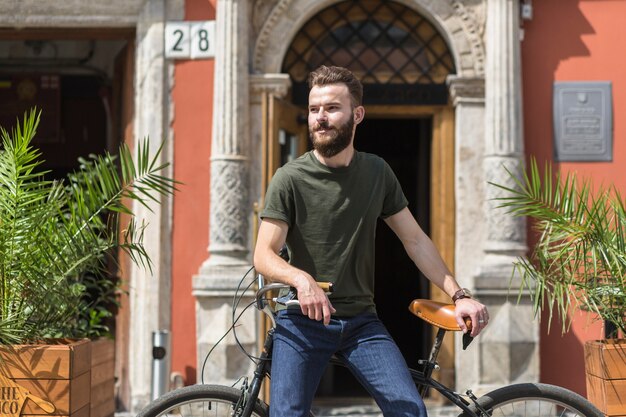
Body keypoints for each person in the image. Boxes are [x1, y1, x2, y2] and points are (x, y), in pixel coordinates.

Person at [253, 65, 489, 417]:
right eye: (314, 109)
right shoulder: (290, 178)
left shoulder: (376, 172)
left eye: (332, 108)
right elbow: (264, 254)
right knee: (286, 413)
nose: (320, 117)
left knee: (410, 411)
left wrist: (459, 295)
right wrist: (301, 280)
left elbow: (415, 240)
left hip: (361, 321)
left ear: (357, 114)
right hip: (301, 320)